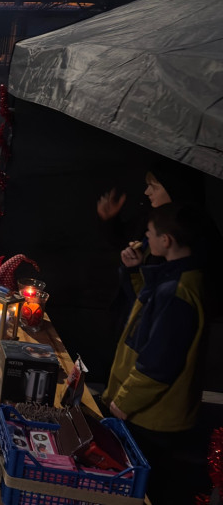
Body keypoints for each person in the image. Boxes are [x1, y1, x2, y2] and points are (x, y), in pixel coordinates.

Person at [103, 203, 206, 504]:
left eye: (150, 234)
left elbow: (160, 362)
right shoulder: (172, 277)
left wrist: (122, 401)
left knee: (143, 490)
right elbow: (146, 313)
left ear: (167, 240)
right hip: (145, 410)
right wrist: (135, 271)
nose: (145, 238)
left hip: (151, 418)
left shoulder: (178, 291)